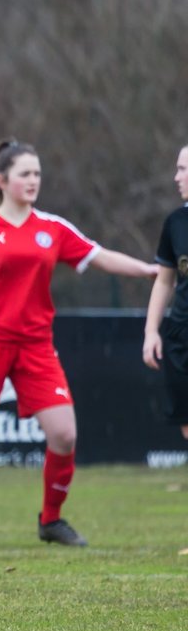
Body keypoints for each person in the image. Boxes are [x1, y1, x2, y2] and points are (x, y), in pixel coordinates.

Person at [0, 138, 158, 549]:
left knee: (64, 435)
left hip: (36, 347)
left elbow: (98, 256)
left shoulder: (52, 228)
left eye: (38, 174)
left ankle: (51, 521)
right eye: (25, 173)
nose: (33, 181)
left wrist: (150, 270)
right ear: (2, 179)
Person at [142, 145, 188, 439]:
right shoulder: (175, 223)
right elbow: (164, 280)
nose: (176, 177)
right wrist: (151, 331)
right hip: (181, 335)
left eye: (183, 169)